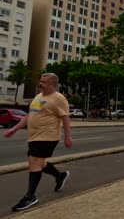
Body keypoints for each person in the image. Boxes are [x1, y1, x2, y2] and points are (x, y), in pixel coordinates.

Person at [3, 73, 72, 212]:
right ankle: (60, 176)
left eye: (44, 82)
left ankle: (30, 196)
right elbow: (30, 115)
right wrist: (15, 129)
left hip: (48, 136)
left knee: (34, 162)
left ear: (53, 84)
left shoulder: (59, 98)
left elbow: (65, 118)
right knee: (40, 163)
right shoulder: (38, 96)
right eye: (40, 81)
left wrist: (67, 137)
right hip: (34, 136)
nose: (40, 84)